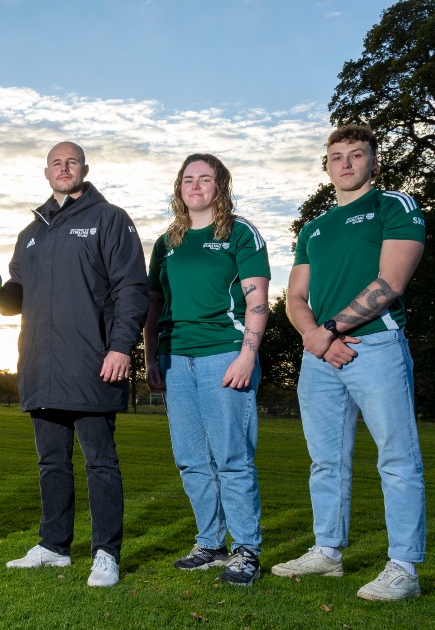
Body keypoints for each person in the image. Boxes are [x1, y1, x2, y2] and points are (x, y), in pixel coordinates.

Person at [271, 124, 427, 602]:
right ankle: (328, 552)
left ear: (372, 161)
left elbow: (390, 283)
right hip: (320, 359)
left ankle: (403, 567)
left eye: (356, 155)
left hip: (375, 347)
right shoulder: (314, 228)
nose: (345, 163)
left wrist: (329, 332)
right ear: (326, 165)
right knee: (326, 461)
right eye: (336, 156)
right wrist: (316, 340)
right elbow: (296, 296)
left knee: (398, 459)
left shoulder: (392, 206)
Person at [0, 141, 149, 588]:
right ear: (46, 173)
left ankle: (106, 553)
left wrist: (121, 347)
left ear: (84, 169)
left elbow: (132, 289)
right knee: (51, 461)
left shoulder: (110, 219)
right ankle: (53, 546)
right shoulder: (31, 232)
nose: (64, 169)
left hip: (93, 362)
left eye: (72, 162)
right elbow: (16, 296)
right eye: (56, 163)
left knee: (100, 461)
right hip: (40, 364)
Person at [143, 154, 270, 586]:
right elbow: (154, 304)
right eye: (188, 179)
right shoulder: (167, 242)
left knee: (232, 458)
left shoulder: (239, 232)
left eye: (206, 179)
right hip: (176, 359)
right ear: (179, 187)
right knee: (192, 459)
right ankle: (211, 543)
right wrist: (150, 357)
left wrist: (247, 355)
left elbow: (257, 300)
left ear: (221, 186)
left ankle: (247, 549)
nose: (196, 186)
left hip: (224, 355)